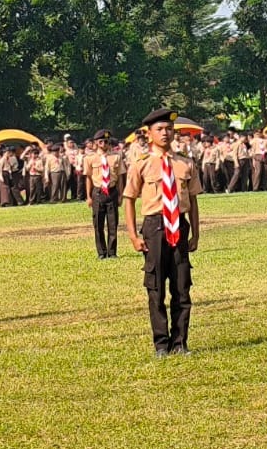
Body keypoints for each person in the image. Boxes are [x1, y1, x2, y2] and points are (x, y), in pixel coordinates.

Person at [123, 108, 202, 357]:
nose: (165, 133)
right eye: (159, 129)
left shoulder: (185, 163)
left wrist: (196, 233)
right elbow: (129, 199)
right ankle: (161, 343)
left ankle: (180, 342)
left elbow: (193, 200)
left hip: (179, 224)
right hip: (155, 226)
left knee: (181, 286)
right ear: (149, 133)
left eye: (169, 129)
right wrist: (133, 236)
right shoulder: (141, 165)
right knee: (155, 287)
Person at [84, 130, 123, 259]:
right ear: (96, 143)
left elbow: (120, 177)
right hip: (98, 192)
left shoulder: (116, 157)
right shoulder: (90, 158)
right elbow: (89, 178)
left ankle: (112, 252)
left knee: (113, 224)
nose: (104, 144)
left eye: (106, 141)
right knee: (98, 224)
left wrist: (120, 194)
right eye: (101, 141)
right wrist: (89, 196)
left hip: (112, 191)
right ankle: (101, 252)